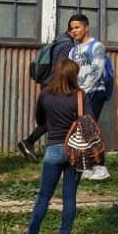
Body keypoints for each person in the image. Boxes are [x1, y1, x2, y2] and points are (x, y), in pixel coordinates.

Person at [9, 60, 91, 234]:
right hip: (75, 151)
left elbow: (40, 120)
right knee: (69, 197)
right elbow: (90, 122)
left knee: (44, 196)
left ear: (56, 73)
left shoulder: (45, 95)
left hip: (54, 149)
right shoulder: (80, 96)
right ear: (73, 75)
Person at [18, 26, 76, 162]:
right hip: (55, 85)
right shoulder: (67, 45)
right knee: (59, 117)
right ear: (72, 30)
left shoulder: (57, 42)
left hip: (47, 84)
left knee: (52, 118)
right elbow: (61, 68)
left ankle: (31, 143)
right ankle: (32, 142)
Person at [67, 14, 110, 181]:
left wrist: (82, 90)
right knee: (81, 130)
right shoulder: (73, 50)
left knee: (90, 129)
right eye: (71, 28)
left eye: (77, 27)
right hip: (78, 94)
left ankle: (101, 166)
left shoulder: (96, 46)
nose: (74, 31)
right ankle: (88, 167)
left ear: (87, 27)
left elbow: (96, 71)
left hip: (94, 93)